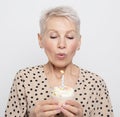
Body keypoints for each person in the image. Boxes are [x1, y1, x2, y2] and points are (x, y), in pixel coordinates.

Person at [5, 6, 114, 117]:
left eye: (70, 37)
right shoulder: (24, 79)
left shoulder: (95, 84)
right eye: (53, 36)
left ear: (79, 42)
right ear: (40, 40)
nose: (61, 45)